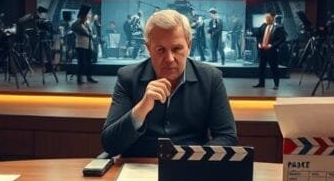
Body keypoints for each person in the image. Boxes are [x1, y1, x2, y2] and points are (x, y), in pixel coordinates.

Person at [102, 9, 238, 157]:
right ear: (148, 49)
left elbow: (227, 137)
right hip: (137, 168)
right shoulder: (127, 78)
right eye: (160, 50)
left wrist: (194, 162)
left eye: (177, 49)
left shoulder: (211, 78)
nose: (170, 59)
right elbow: (110, 144)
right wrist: (140, 110)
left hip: (190, 169)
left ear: (189, 46)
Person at [253, 10, 287, 89]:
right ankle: (261, 83)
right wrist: (259, 43)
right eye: (266, 17)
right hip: (262, 50)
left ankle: (276, 85)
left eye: (268, 17)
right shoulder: (263, 25)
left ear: (273, 17)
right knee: (261, 68)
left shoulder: (278, 27)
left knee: (274, 68)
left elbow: (282, 38)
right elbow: (258, 35)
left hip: (272, 51)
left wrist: (272, 45)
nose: (267, 19)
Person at [70, 5, 98, 84]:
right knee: (82, 63)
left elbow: (90, 34)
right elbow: (74, 27)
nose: (89, 15)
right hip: (81, 46)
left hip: (88, 45)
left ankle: (89, 77)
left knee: (89, 63)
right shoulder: (78, 22)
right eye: (87, 14)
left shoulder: (86, 23)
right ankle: (79, 79)